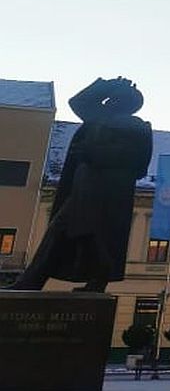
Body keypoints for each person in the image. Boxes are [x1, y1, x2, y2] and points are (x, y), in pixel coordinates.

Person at [11, 77, 152, 292]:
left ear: (122, 102)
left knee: (74, 232)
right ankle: (45, 280)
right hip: (83, 187)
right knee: (80, 233)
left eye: (113, 97)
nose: (107, 101)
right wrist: (107, 84)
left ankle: (35, 280)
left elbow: (137, 161)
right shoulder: (100, 117)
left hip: (107, 192)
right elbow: (78, 102)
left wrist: (93, 153)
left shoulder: (135, 126)